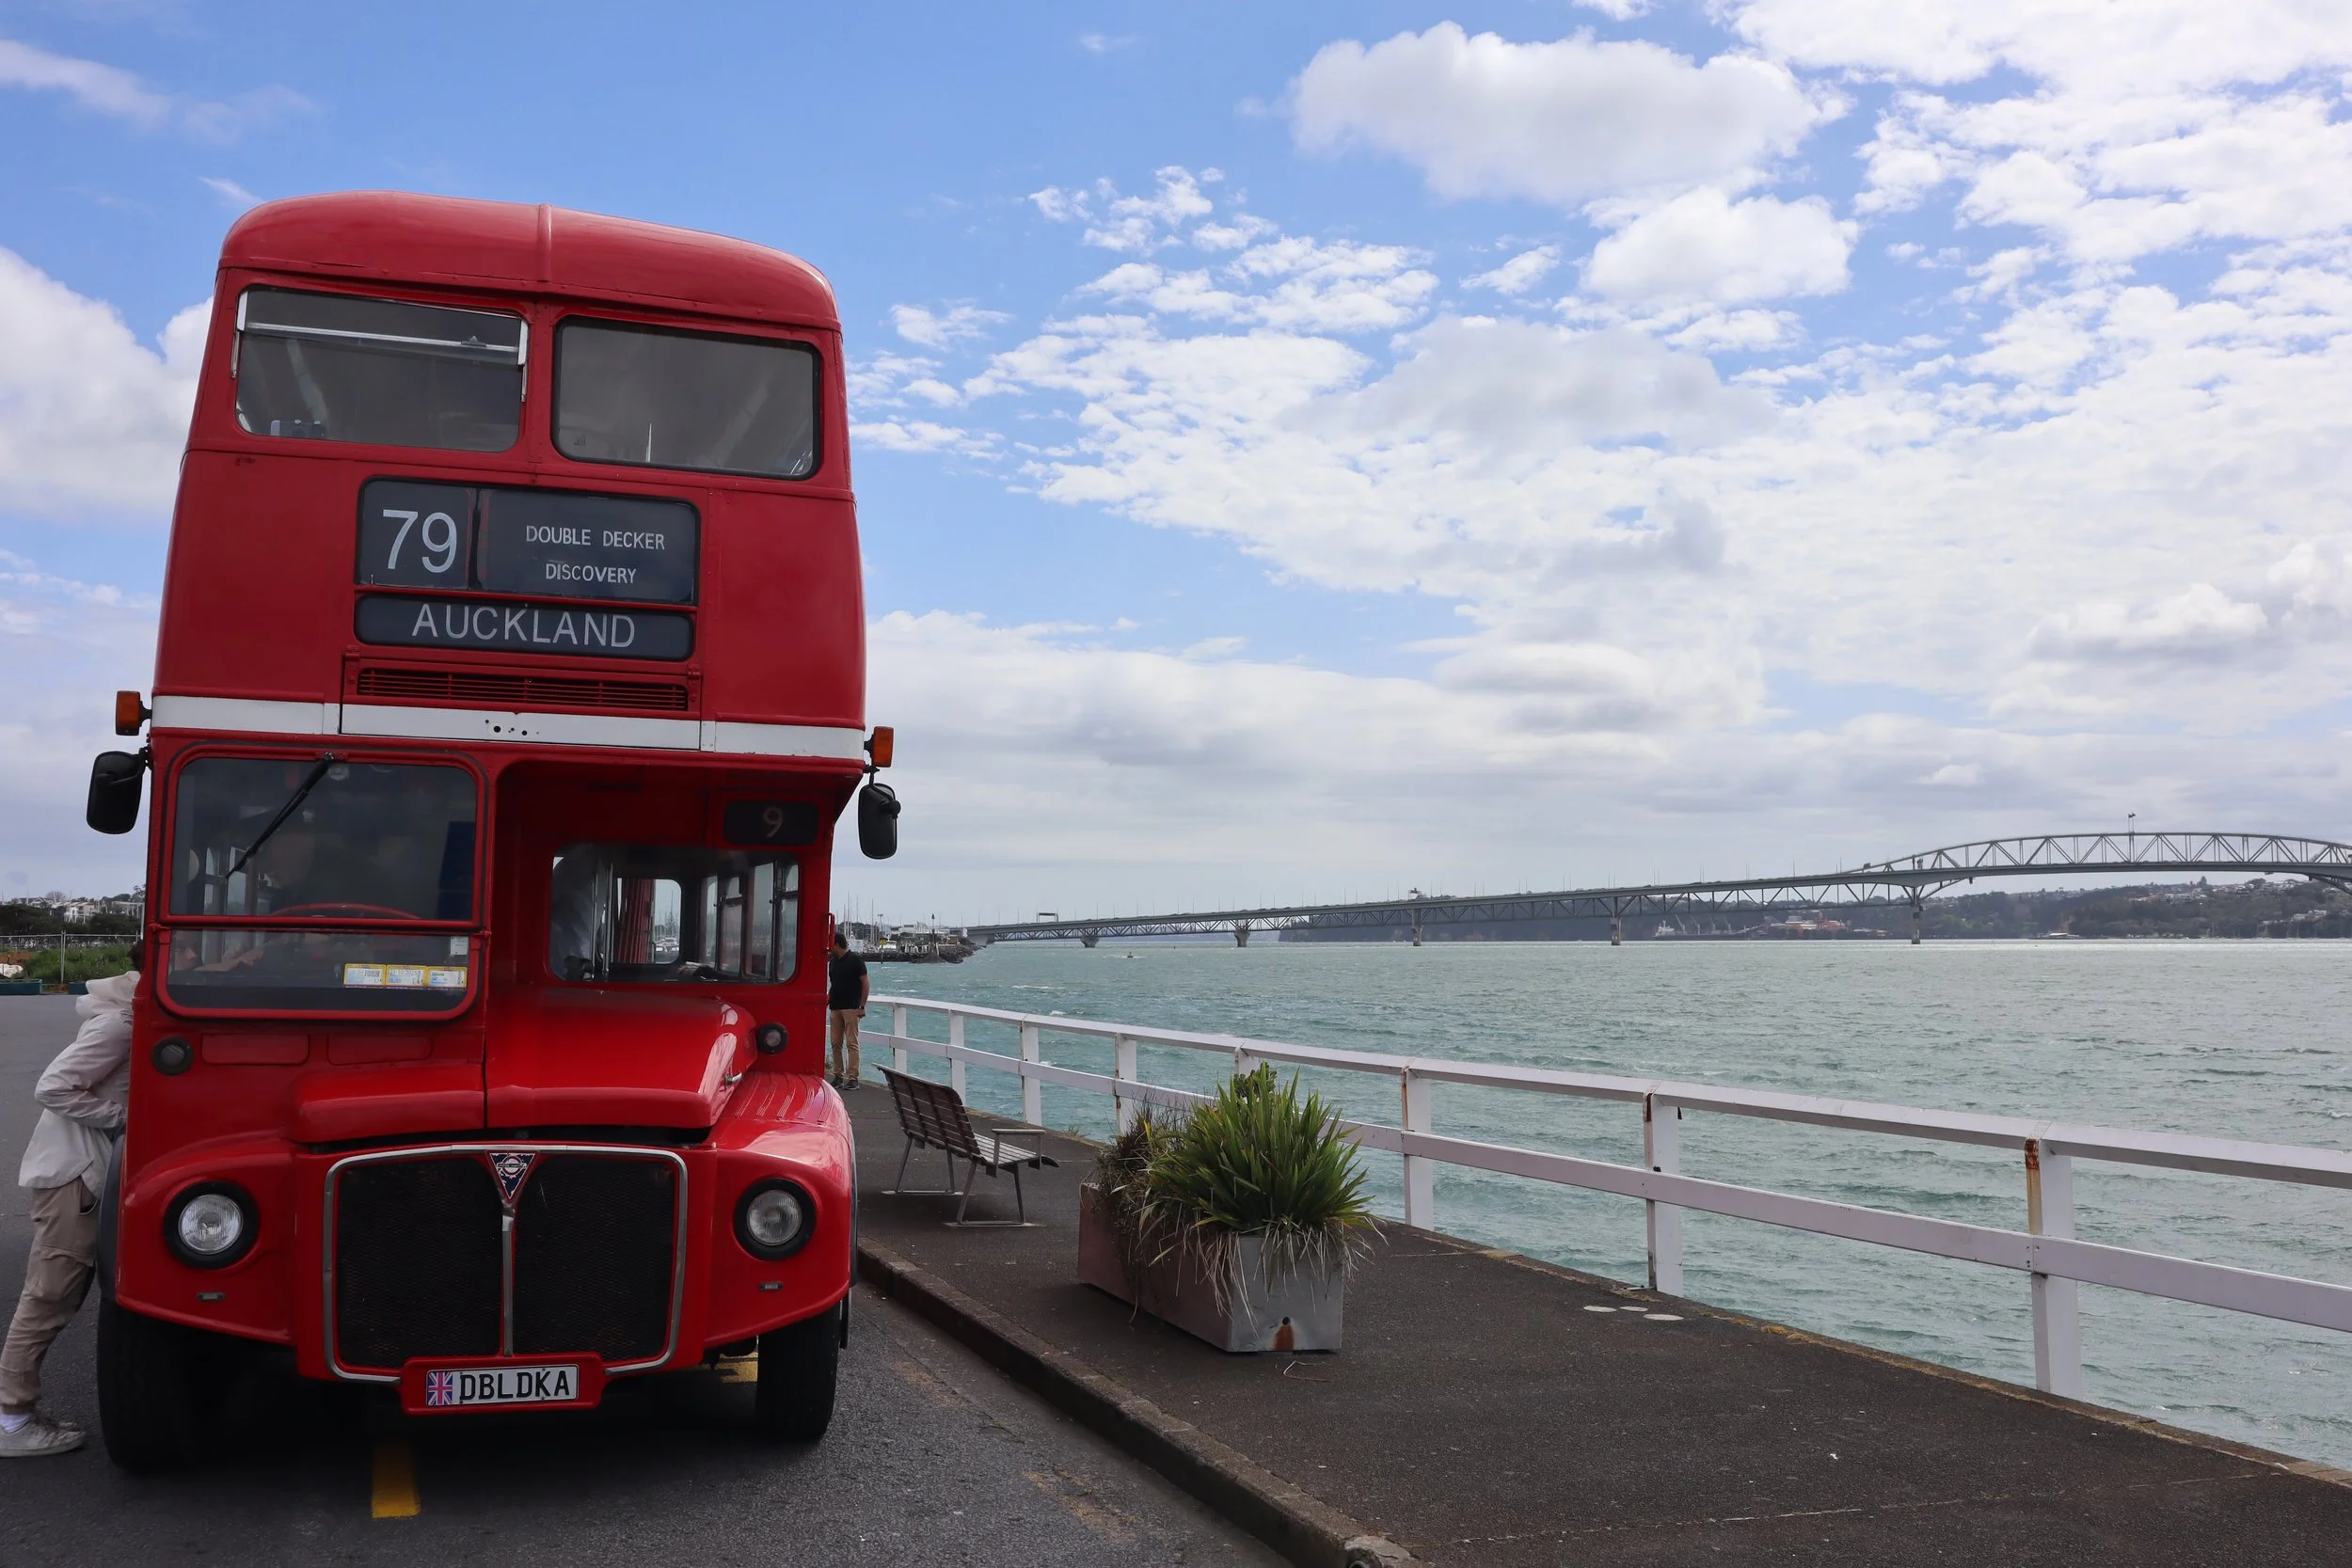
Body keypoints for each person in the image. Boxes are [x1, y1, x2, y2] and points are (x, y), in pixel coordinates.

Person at [0, 970, 136, 1458]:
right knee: (50, 1294)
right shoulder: (121, 1023)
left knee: (57, 1294)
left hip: (82, 1173)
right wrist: (126, 1120)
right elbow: (52, 1087)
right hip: (75, 1176)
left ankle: (15, 1413)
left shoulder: (130, 1017)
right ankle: (11, 1418)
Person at [826, 931, 868, 1089]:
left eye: (831, 943)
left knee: (852, 1043)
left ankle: (853, 1078)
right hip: (835, 1006)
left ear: (837, 944)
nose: (829, 947)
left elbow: (865, 982)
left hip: (851, 1006)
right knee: (835, 1043)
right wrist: (828, 999)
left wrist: (862, 1006)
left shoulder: (855, 960)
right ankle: (838, 1075)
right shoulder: (833, 962)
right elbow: (834, 984)